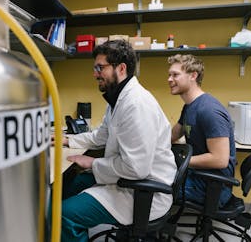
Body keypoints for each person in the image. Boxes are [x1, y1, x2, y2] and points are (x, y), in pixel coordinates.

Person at [58, 40, 177, 241]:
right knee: (75, 182)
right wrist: (67, 140)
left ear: (121, 68)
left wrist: (93, 162)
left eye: (100, 68)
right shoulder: (117, 99)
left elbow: (136, 168)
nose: (95, 74)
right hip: (128, 181)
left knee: (65, 214)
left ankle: (68, 225)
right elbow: (100, 136)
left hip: (143, 193)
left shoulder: (136, 104)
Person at [167, 54, 236, 207]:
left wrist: (177, 161)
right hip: (199, 177)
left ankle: (142, 230)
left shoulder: (208, 110)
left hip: (212, 187)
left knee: (156, 185)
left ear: (193, 75)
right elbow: (172, 135)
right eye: (169, 75)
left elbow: (220, 159)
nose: (169, 79)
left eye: (175, 75)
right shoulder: (189, 107)